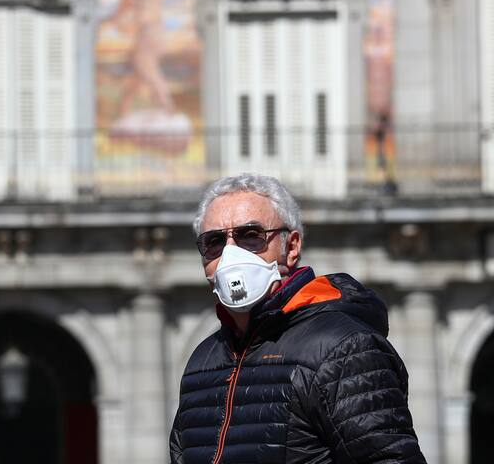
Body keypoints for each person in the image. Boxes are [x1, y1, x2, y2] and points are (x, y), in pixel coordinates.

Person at [169, 173, 427, 464]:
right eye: (214, 242)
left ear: (291, 247)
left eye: (250, 236)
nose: (230, 254)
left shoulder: (343, 349)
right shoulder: (202, 361)